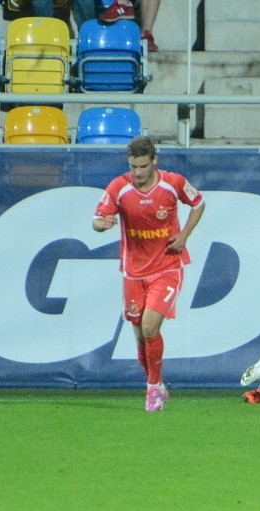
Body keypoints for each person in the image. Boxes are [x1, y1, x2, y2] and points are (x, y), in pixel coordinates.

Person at [92, 136, 205, 411]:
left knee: (149, 326)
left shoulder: (173, 182)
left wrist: (184, 234)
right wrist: (101, 224)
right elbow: (96, 219)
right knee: (141, 338)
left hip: (167, 267)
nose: (138, 173)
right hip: (133, 272)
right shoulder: (119, 187)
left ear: (154, 161)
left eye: (143, 166)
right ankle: (158, 383)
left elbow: (198, 203)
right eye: (133, 166)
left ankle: (152, 389)